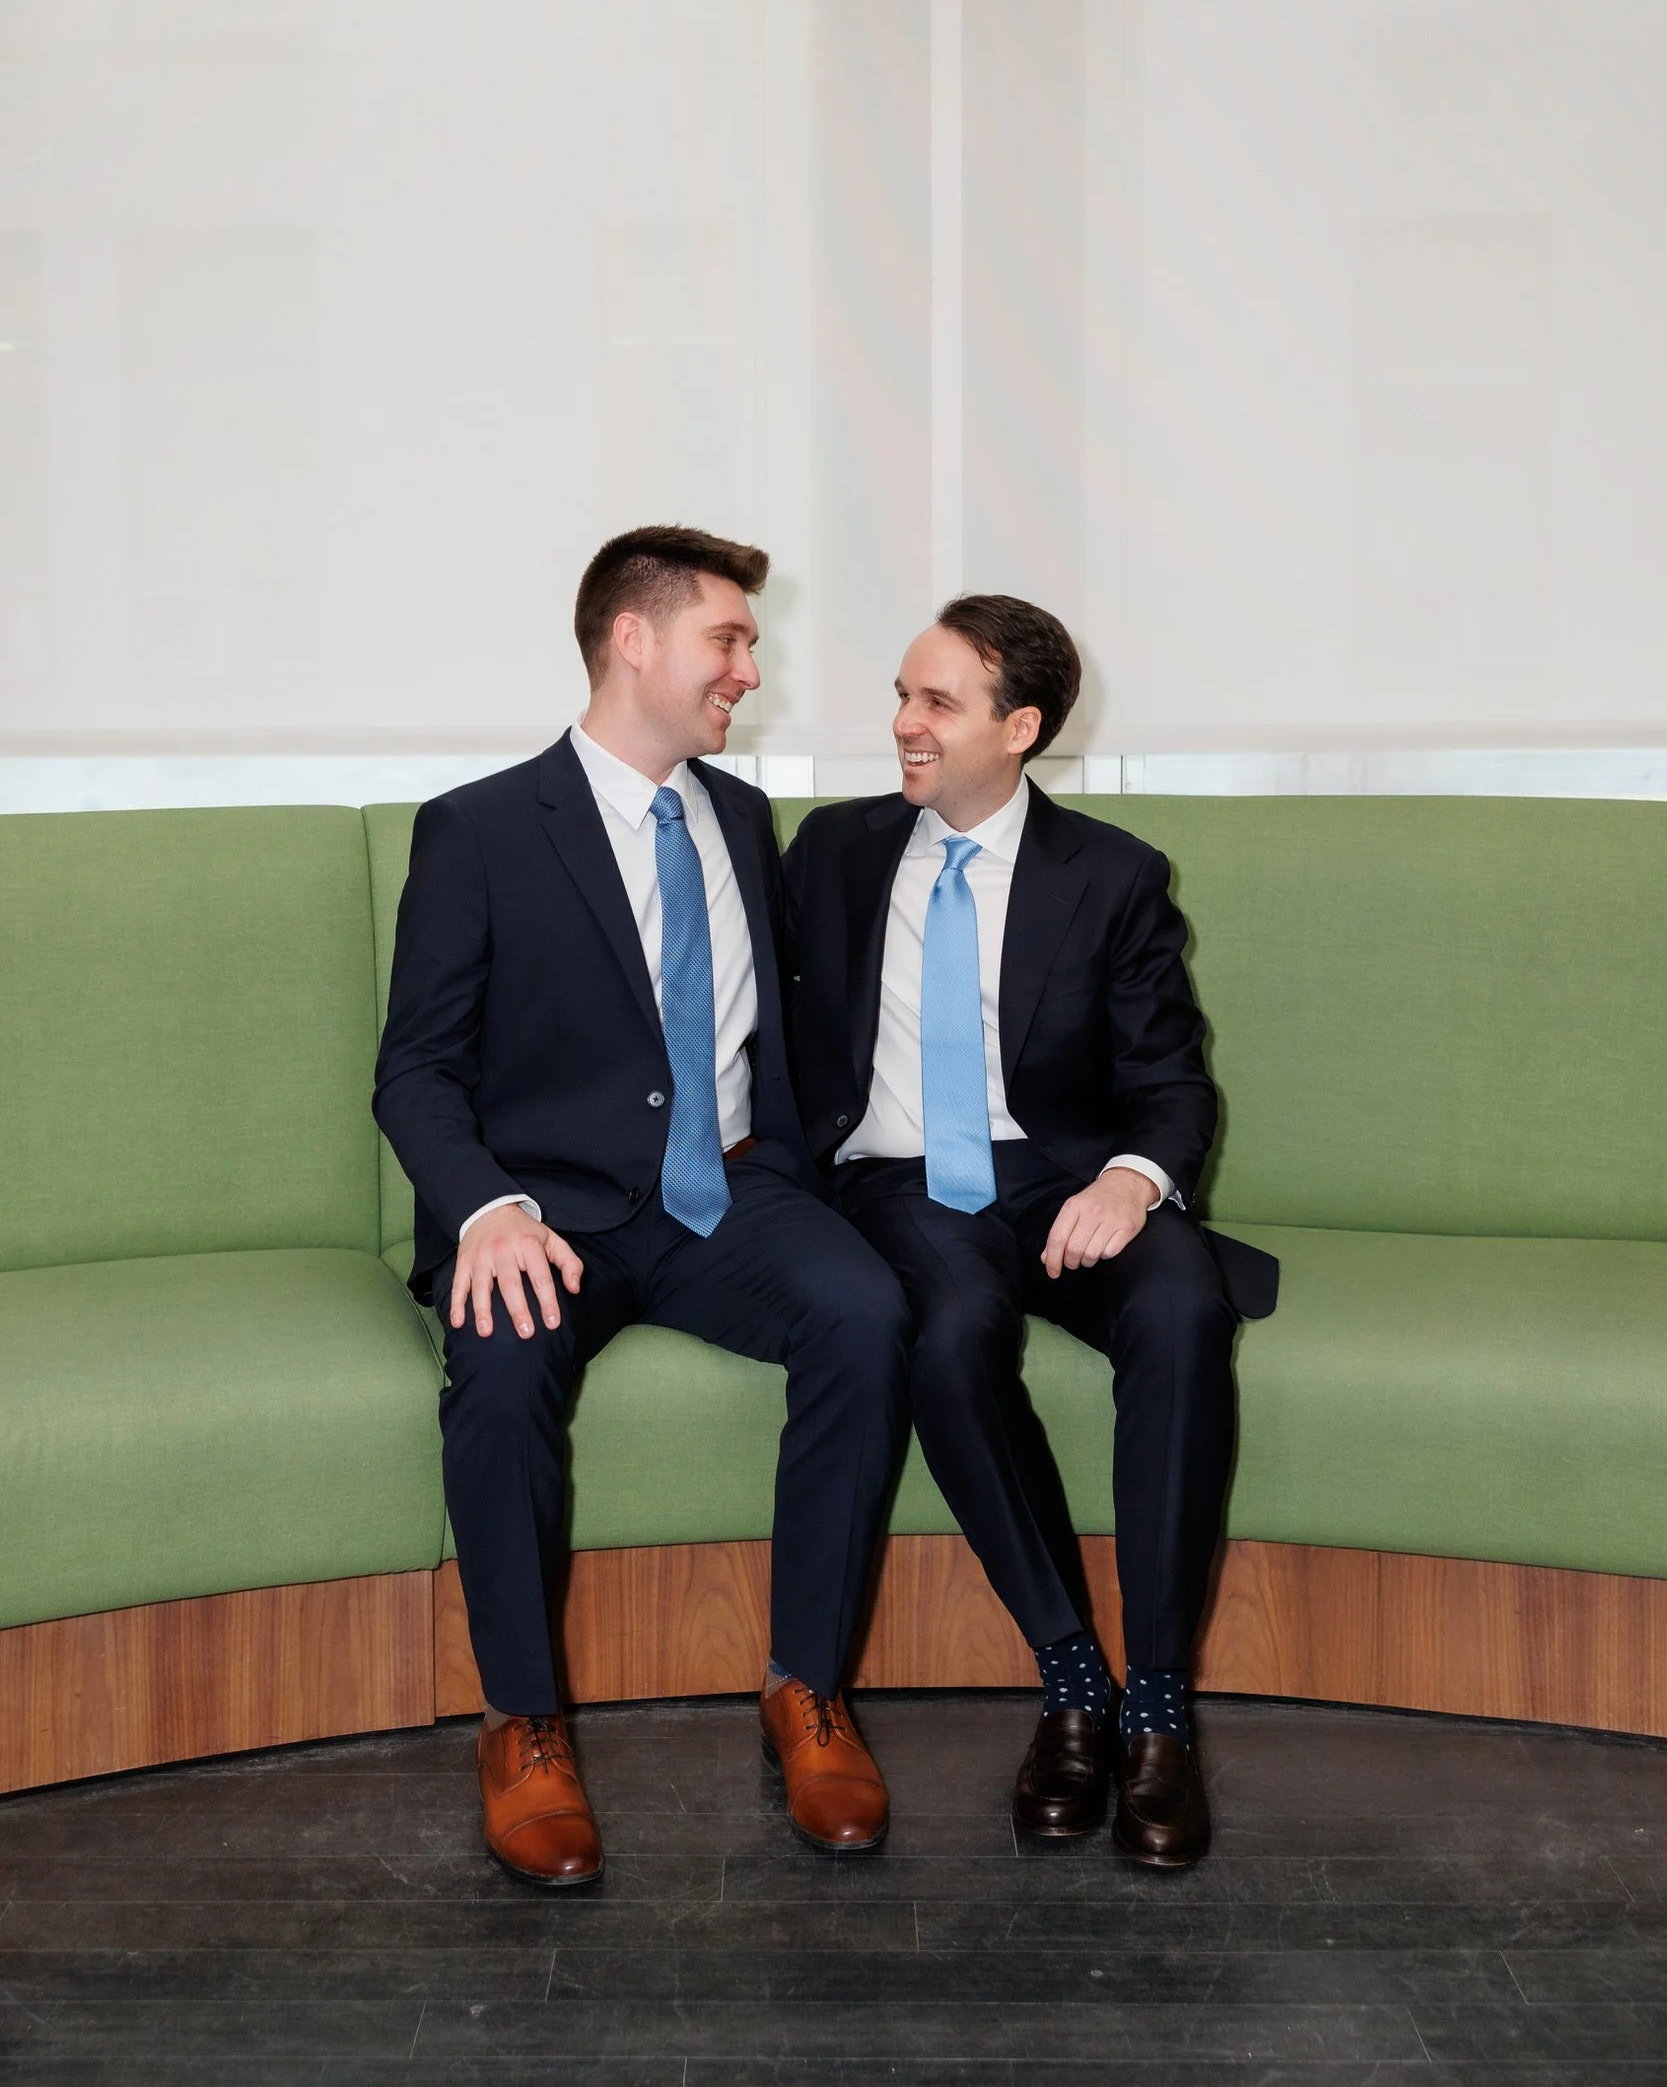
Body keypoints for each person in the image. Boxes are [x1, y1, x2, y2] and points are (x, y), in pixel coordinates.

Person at [374, 525, 911, 1887]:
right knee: (499, 1371)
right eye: (728, 640)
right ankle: (522, 1721)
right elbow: (415, 1069)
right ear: (633, 639)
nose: (749, 670)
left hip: (726, 1191)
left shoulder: (739, 816)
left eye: (750, 645)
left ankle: (805, 1686)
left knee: (864, 1312)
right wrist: (484, 1208)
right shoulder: (480, 829)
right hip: (546, 1213)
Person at [783, 594, 1277, 1867]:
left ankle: (1155, 1706)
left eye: (936, 702)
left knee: (1182, 1310)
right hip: (901, 1183)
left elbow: (1171, 1080)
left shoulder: (1111, 873)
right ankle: (1070, 1681)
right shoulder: (831, 851)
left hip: (1066, 1177)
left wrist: (1130, 1182)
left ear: (1019, 727)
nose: (904, 723)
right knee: (947, 1338)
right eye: (901, 695)